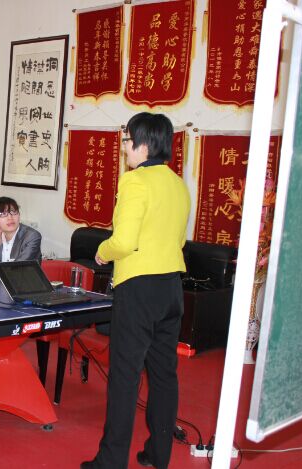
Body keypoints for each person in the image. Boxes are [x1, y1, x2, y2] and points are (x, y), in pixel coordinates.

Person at [81, 113, 190, 469]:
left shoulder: (134, 181)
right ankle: (157, 455)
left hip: (139, 288)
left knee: (125, 377)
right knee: (164, 374)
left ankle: (111, 461)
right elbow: (180, 241)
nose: (125, 148)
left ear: (144, 145)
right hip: (171, 288)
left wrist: (103, 251)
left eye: (127, 141)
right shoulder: (177, 184)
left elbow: (124, 241)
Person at [0, 196, 42, 268]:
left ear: (19, 215)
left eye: (14, 212)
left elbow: (19, 267)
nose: (10, 218)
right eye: (3, 214)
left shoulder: (32, 236)